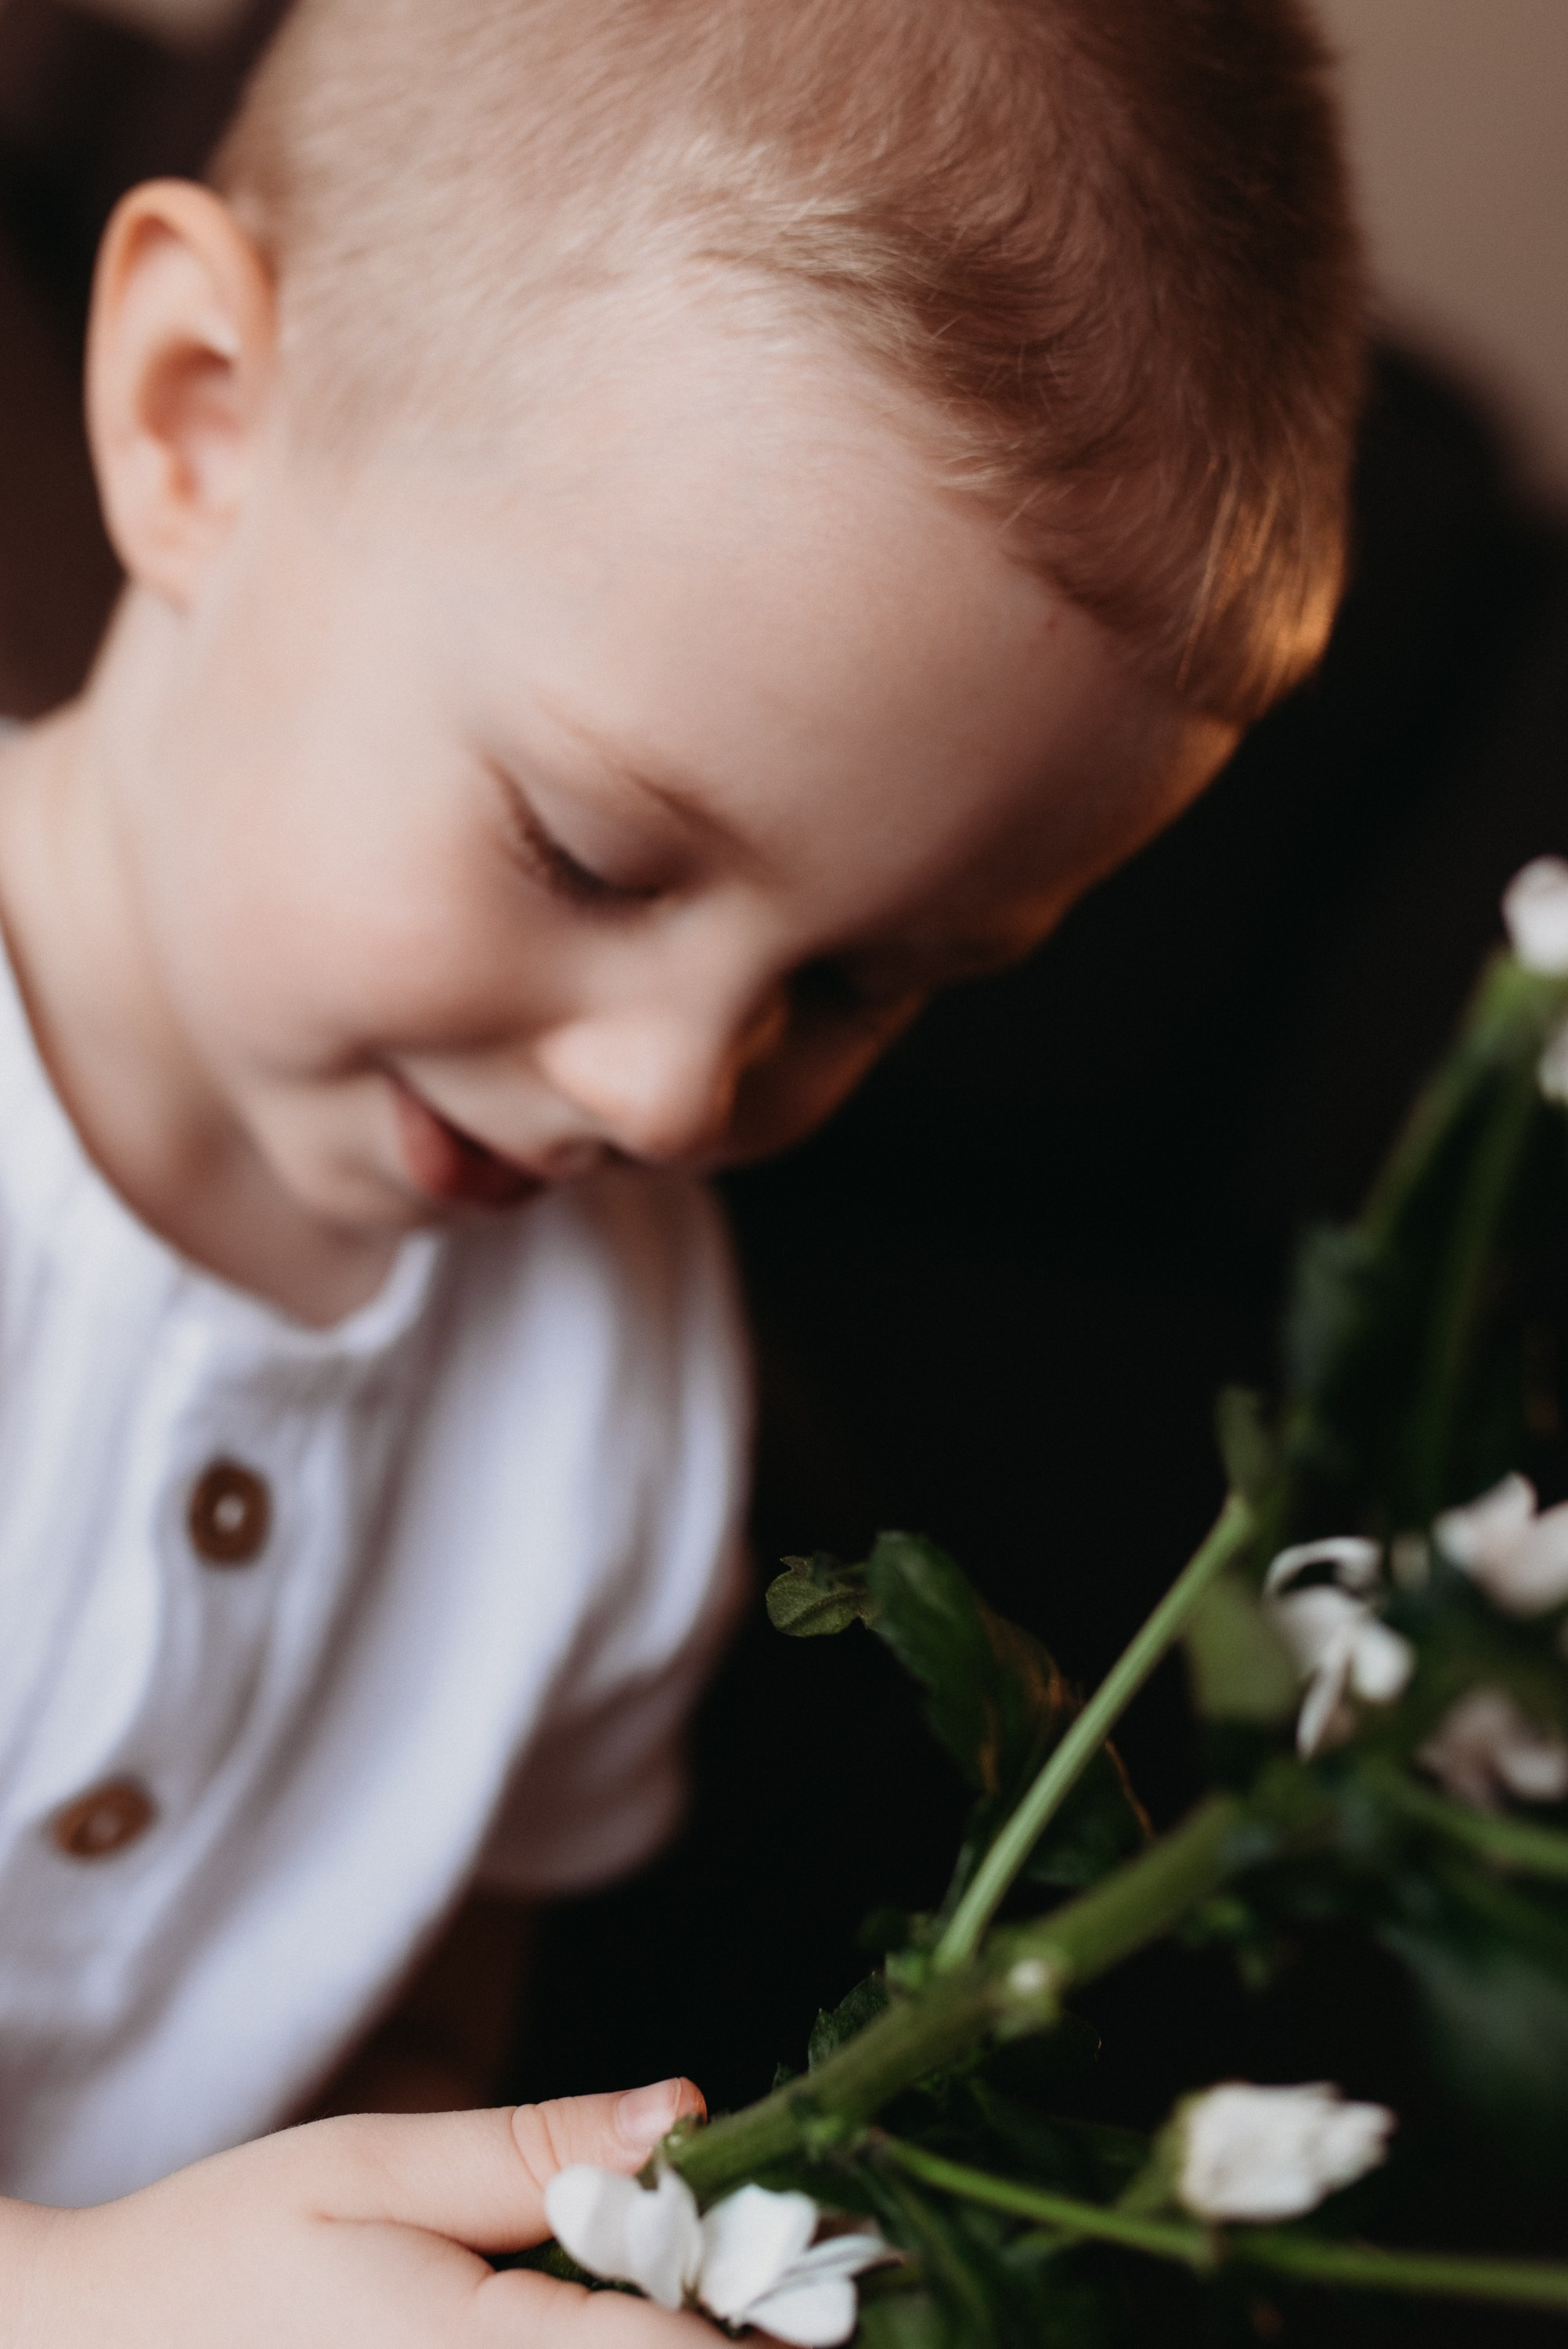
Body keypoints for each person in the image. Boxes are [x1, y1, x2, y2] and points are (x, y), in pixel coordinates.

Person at [0, 0, 1361, 2337]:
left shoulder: (625, 1390)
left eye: (864, 985)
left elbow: (421, 2000)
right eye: (590, 852)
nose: (669, 1097)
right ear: (199, 420)